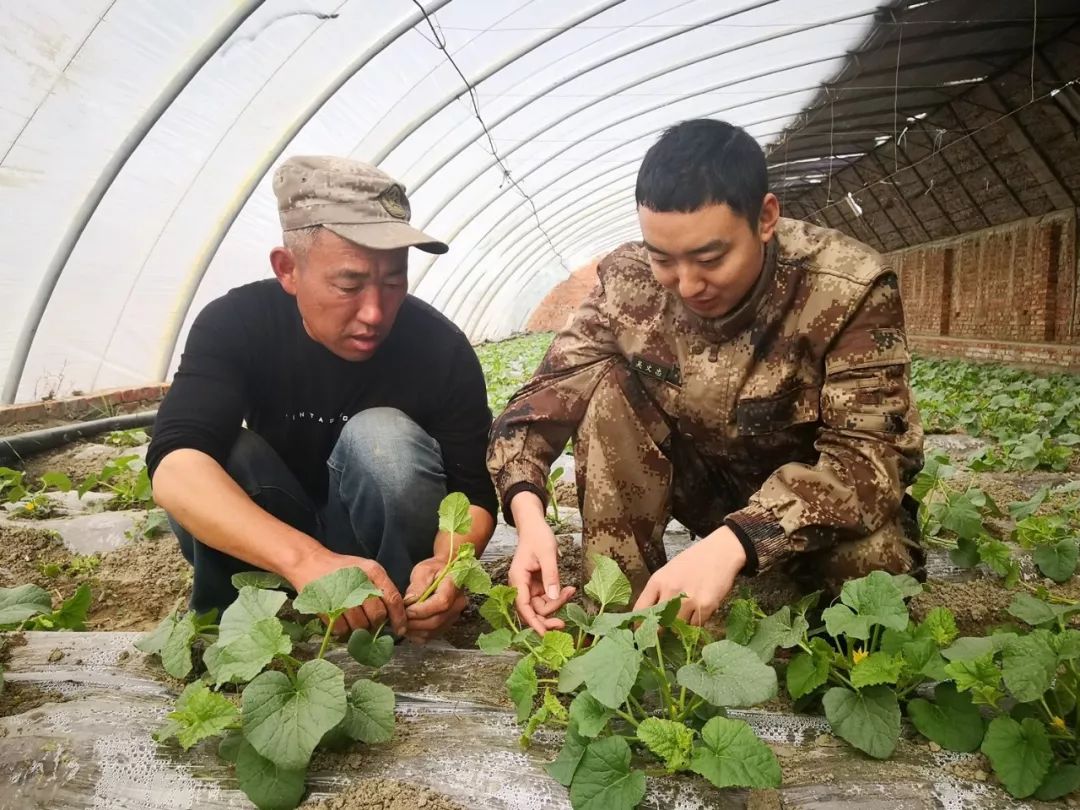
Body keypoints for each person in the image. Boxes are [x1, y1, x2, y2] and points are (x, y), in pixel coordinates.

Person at [487, 119, 925, 635]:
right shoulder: (627, 283)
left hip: (811, 508)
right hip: (701, 486)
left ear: (765, 218)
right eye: (663, 259)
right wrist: (528, 514)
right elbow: (539, 403)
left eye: (709, 258)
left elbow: (870, 457)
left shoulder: (846, 288)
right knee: (608, 391)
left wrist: (741, 539)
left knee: (874, 583)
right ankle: (623, 618)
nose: (688, 284)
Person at [148, 156, 497, 643]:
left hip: (374, 551)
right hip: (270, 544)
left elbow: (474, 495)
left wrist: (448, 563)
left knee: (384, 439)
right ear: (288, 269)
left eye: (394, 281)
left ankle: (396, 617)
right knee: (223, 455)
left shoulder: (439, 348)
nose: (375, 312)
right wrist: (305, 560)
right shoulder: (237, 324)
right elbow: (174, 466)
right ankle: (234, 630)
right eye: (349, 284)